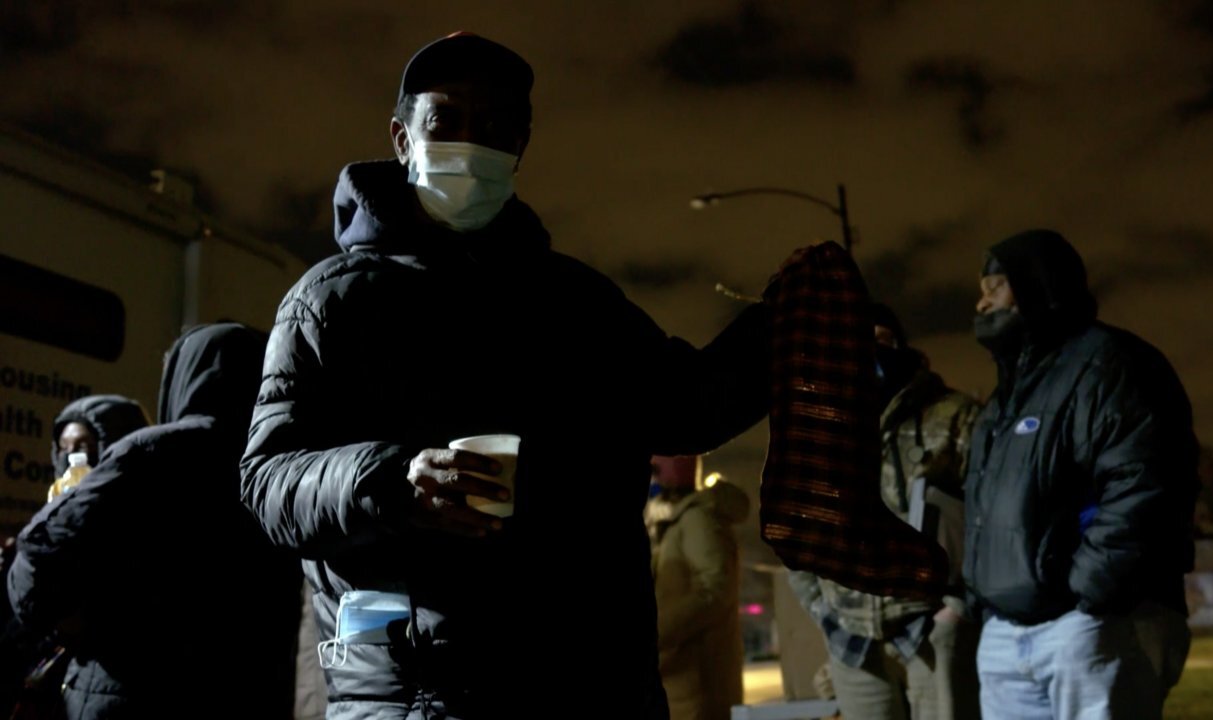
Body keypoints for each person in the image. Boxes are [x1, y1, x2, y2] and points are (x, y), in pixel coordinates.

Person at [238, 32, 771, 718]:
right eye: (445, 120)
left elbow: (689, 407)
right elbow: (269, 479)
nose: (469, 141)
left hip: (591, 685)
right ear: (402, 139)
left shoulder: (580, 303)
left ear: (520, 145)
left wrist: (778, 326)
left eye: (493, 126)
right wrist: (395, 480)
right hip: (419, 695)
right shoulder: (331, 301)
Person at [7, 324, 300, 718]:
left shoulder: (148, 454)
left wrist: (77, 618)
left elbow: (35, 568)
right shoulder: (286, 466)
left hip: (132, 699)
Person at [964, 229, 1199, 719]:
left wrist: (1087, 592)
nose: (982, 303)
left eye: (996, 286)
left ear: (1037, 285)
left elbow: (1143, 484)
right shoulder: (1010, 393)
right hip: (1009, 632)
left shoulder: (1109, 364)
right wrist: (984, 596)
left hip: (1090, 625)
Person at [789, 303, 980, 720]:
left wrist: (959, 608)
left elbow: (988, 517)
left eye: (881, 339)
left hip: (933, 628)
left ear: (901, 345)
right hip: (852, 640)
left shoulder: (954, 415)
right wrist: (824, 612)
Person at [0, 394, 149, 717]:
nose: (72, 459)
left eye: (82, 447)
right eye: (64, 449)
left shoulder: (135, 512)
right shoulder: (59, 503)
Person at [648, 456, 748, 720]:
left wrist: (657, 631)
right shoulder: (672, 524)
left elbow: (715, 590)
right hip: (682, 684)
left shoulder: (697, 520)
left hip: (700, 688)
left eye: (653, 471)